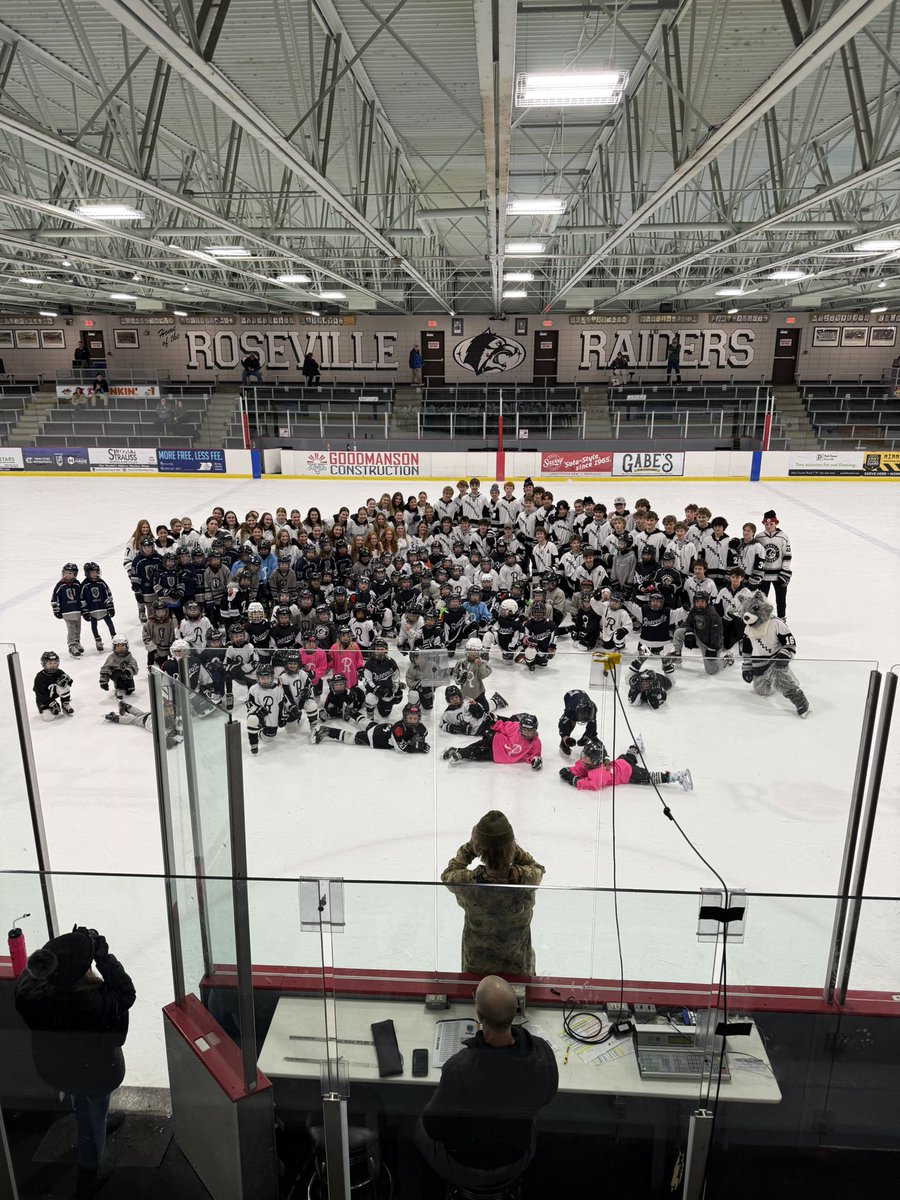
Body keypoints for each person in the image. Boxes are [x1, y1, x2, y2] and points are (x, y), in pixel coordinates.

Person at [15, 926, 136, 1189]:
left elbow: (33, 969)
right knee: (92, 1110)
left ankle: (97, 1120)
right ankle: (89, 1170)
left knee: (84, 1099)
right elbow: (126, 993)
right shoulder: (96, 1004)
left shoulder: (30, 996)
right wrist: (101, 954)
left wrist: (64, 949)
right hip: (97, 1074)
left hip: (57, 1069)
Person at [415, 974, 558, 1191]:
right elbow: (547, 1096)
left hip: (465, 1166)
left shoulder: (459, 1068)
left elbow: (434, 1128)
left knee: (418, 1126)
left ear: (478, 1015)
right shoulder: (541, 1054)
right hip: (516, 1157)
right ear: (517, 1008)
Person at [440, 812, 545, 976]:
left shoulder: (468, 882)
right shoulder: (527, 878)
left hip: (477, 972)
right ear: (512, 846)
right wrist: (507, 847)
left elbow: (448, 874)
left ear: (479, 849)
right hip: (518, 971)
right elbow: (537, 867)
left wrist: (470, 847)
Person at [738, 590, 809, 718]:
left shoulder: (776, 623)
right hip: (759, 662)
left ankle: (800, 701)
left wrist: (784, 655)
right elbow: (747, 650)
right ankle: (771, 678)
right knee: (762, 691)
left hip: (776, 659)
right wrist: (747, 667)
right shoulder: (748, 628)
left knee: (782, 681)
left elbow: (789, 642)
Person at [559, 738, 692, 791]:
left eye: (587, 758)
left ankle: (677, 776)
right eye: (583, 755)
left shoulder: (599, 773)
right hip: (620, 762)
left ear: (595, 761)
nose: (583, 759)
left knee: (650, 777)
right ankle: (636, 746)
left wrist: (573, 780)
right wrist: (569, 771)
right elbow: (580, 768)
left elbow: (592, 785)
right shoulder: (589, 764)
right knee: (628, 756)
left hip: (629, 773)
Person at [314, 701, 429, 753]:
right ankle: (327, 731)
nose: (413, 721)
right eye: (410, 718)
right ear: (404, 717)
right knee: (351, 737)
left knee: (365, 722)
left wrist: (420, 742)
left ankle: (350, 711)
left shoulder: (421, 727)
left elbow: (422, 734)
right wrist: (417, 747)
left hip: (383, 728)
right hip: (376, 737)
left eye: (415, 718)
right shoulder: (399, 728)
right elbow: (400, 749)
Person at [442, 712, 542, 768]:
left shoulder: (535, 743)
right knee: (478, 747)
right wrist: (493, 722)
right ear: (520, 728)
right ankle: (460, 753)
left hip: (498, 755)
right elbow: (503, 726)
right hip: (495, 739)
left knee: (478, 756)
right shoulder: (515, 727)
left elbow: (535, 755)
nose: (527, 733)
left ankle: (454, 750)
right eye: (525, 730)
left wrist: (535, 760)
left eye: (530, 730)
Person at [757, 509, 792, 618]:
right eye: (766, 524)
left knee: (781, 599)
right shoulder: (759, 537)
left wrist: (785, 570)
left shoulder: (783, 536)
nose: (768, 526)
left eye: (771, 524)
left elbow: (787, 555)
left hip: (779, 575)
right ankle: (760, 619)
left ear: (776, 523)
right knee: (761, 600)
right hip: (764, 575)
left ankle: (782, 619)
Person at [79, 562, 116, 652]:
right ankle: (98, 640)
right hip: (92, 610)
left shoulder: (101, 583)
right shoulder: (84, 585)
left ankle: (115, 638)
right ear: (87, 573)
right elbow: (82, 599)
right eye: (92, 572)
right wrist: (85, 611)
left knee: (110, 623)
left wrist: (110, 607)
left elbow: (108, 594)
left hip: (103, 608)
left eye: (96, 572)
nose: (95, 574)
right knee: (94, 625)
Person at [51, 562, 84, 657]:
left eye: (70, 573)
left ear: (75, 574)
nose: (67, 575)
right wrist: (56, 609)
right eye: (66, 572)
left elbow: (81, 596)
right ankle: (71, 645)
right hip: (66, 611)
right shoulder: (60, 585)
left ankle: (77, 642)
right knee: (71, 628)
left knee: (78, 628)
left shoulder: (77, 584)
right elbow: (55, 598)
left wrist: (83, 607)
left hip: (77, 610)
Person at [33, 650, 74, 720]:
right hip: (43, 699)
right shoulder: (40, 677)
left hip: (54, 693)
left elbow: (70, 683)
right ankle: (48, 706)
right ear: (44, 664)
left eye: (55, 663)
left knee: (64, 685)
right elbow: (40, 694)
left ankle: (65, 704)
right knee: (48, 718)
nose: (53, 665)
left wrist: (68, 679)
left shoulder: (59, 672)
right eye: (50, 663)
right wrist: (51, 703)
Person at [557, 688, 598, 755]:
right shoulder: (570, 709)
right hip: (569, 697)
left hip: (580, 700)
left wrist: (587, 736)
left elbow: (593, 724)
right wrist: (565, 738)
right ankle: (563, 745)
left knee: (592, 723)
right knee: (571, 722)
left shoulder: (594, 709)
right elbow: (562, 724)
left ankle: (593, 737)